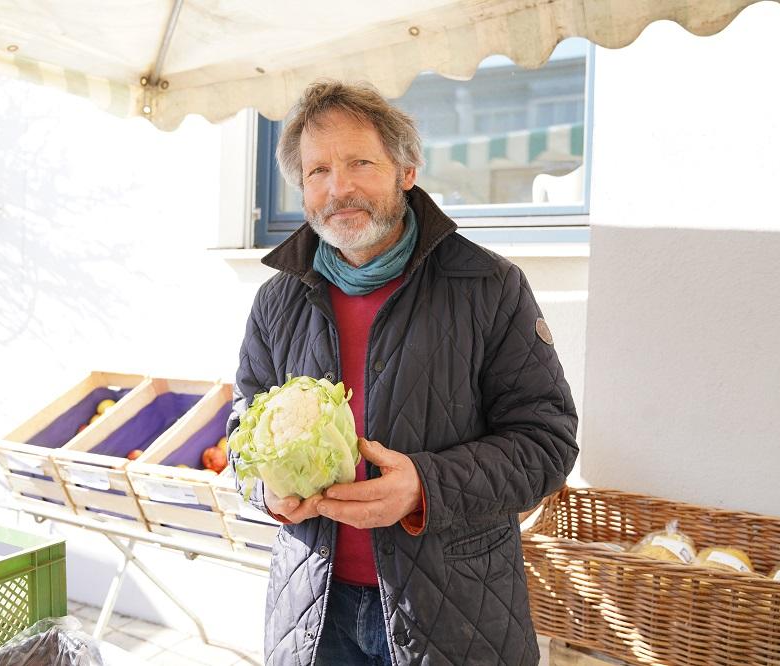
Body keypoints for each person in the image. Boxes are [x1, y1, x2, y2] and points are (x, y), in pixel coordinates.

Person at [227, 80, 578, 666]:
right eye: (317, 171)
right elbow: (243, 429)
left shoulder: (488, 288)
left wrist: (423, 485)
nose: (338, 188)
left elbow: (546, 445)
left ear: (406, 170)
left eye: (359, 162)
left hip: (456, 613)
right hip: (315, 609)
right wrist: (264, 487)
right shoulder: (277, 300)